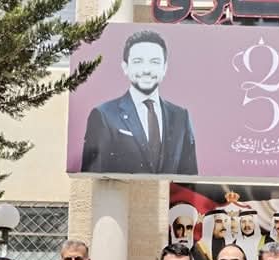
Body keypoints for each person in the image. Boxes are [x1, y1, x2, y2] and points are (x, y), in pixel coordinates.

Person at [81, 30, 198, 175]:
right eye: (138, 61)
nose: (146, 70)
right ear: (125, 67)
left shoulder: (181, 116)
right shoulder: (104, 115)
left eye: (154, 62)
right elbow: (92, 175)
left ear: (164, 68)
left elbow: (189, 178)